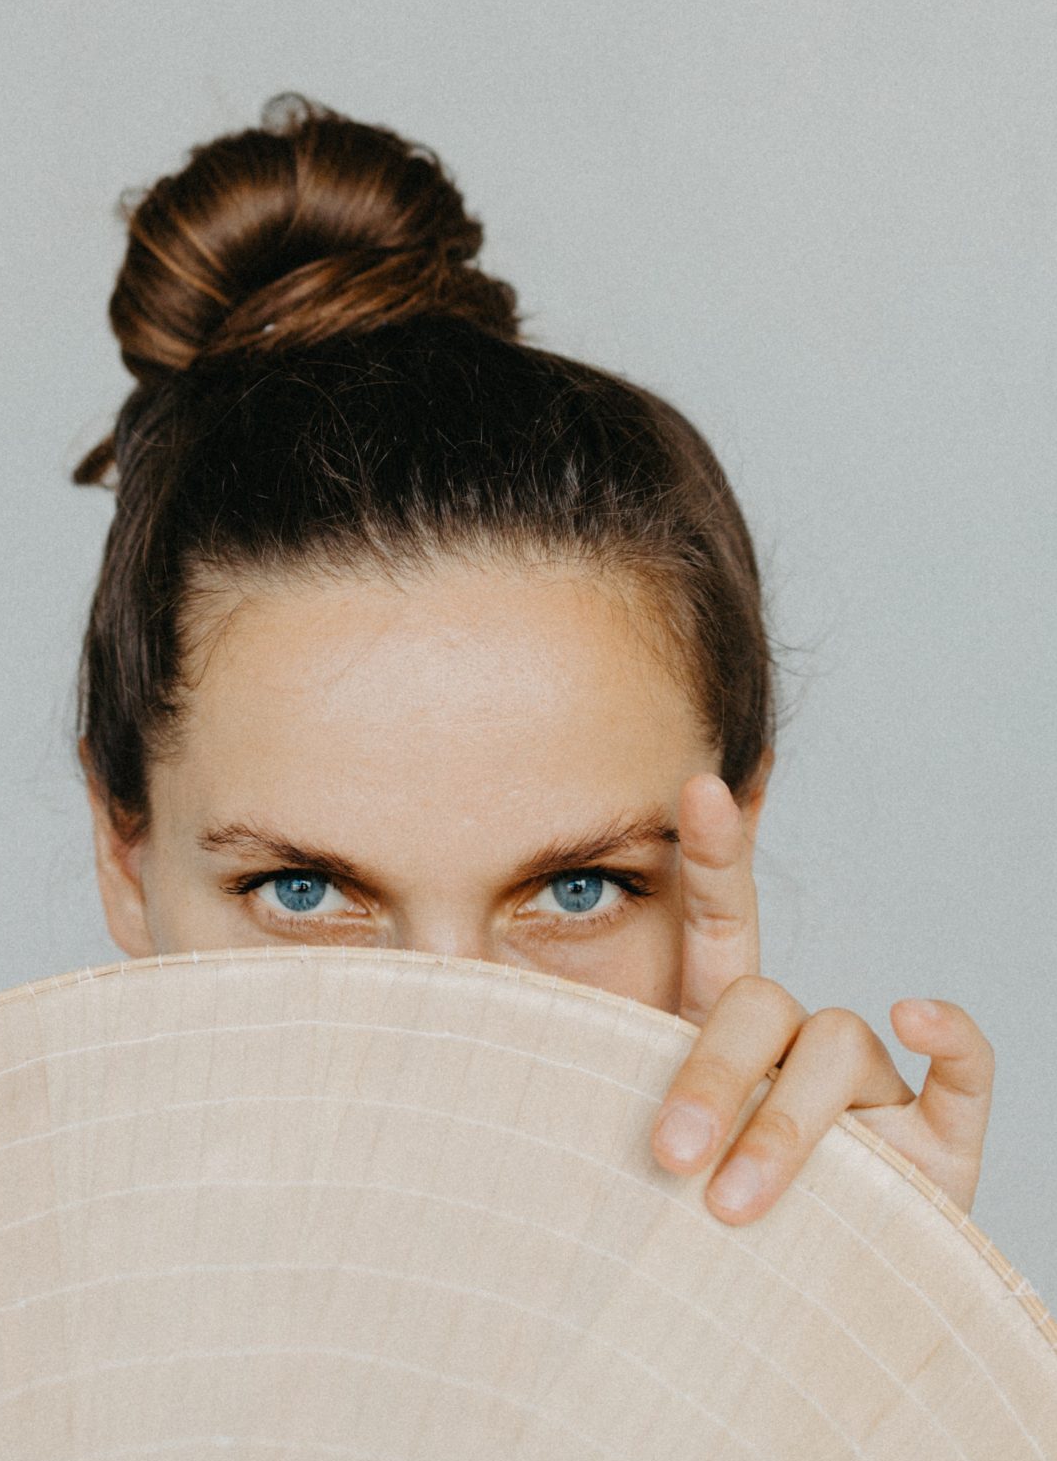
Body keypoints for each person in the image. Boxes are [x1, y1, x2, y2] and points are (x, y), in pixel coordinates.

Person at [76, 94, 993, 1228]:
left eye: (578, 891)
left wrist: (851, 1302)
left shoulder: (832, 1311)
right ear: (124, 854)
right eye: (301, 893)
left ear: (737, 827)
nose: (449, 1051)